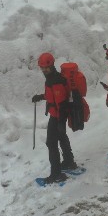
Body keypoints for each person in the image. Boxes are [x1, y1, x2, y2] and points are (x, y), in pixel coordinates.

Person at [32, 52, 77, 185]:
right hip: (56, 115)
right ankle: (69, 162)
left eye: (46, 67)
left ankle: (56, 174)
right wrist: (41, 96)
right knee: (62, 138)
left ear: (52, 65)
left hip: (58, 116)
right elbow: (52, 96)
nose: (44, 70)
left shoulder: (56, 81)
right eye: (42, 68)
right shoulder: (52, 78)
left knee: (51, 143)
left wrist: (61, 122)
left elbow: (61, 103)